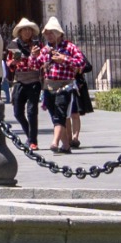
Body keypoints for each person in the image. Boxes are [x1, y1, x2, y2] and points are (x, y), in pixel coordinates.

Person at [41, 18, 88, 152]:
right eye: (47, 33)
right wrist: (34, 57)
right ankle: (66, 145)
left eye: (52, 32)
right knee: (54, 114)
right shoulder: (46, 50)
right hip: (49, 86)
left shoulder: (70, 47)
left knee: (60, 113)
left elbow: (82, 63)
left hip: (65, 86)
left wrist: (65, 59)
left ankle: (55, 142)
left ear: (60, 34)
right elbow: (35, 64)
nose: (49, 35)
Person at [6, 20, 45, 146]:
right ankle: (29, 134)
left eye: (29, 29)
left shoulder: (38, 45)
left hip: (34, 80)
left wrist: (36, 56)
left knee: (32, 111)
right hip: (19, 80)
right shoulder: (14, 44)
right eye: (25, 29)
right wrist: (13, 63)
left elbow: (43, 61)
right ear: (20, 32)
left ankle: (33, 141)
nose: (27, 32)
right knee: (18, 113)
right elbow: (9, 61)